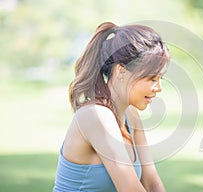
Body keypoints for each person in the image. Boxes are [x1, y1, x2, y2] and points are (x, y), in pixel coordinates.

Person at [53, 22, 170, 192]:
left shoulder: (132, 116)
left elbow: (152, 183)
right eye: (152, 79)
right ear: (121, 71)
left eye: (161, 79)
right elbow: (130, 189)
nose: (159, 87)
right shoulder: (96, 116)